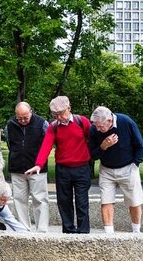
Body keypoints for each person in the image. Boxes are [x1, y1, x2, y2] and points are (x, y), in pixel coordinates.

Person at [25, 96, 92, 234]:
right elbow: (46, 146)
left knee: (82, 202)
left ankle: (84, 233)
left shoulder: (82, 122)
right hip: (63, 170)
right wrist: (38, 164)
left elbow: (92, 139)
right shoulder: (53, 127)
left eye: (61, 113)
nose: (59, 117)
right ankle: (68, 232)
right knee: (64, 202)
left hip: (82, 168)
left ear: (69, 108)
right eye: (56, 115)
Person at [89, 106, 143, 233]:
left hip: (128, 167)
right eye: (96, 126)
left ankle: (136, 232)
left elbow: (140, 145)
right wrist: (103, 146)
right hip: (106, 170)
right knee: (106, 201)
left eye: (100, 126)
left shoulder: (125, 122)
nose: (97, 129)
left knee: (134, 200)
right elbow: (93, 155)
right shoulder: (94, 129)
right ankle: (109, 235)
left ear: (109, 121)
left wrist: (135, 164)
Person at [5, 102, 49, 232]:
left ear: (31, 111)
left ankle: (42, 230)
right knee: (19, 200)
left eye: (25, 117)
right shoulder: (10, 124)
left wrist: (39, 163)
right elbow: (9, 143)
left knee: (40, 199)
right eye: (20, 118)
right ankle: (23, 229)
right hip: (17, 168)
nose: (23, 120)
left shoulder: (42, 123)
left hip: (37, 169)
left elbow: (46, 145)